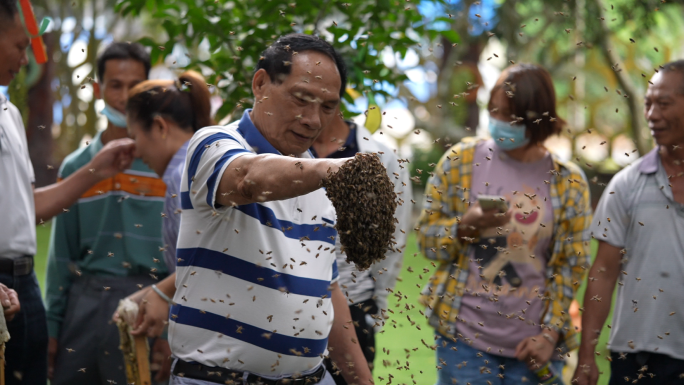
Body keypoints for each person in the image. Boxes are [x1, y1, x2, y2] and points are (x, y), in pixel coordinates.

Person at [167, 33, 373, 385]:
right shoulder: (214, 143)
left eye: (327, 107)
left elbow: (328, 291)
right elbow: (248, 178)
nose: (313, 119)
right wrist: (335, 171)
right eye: (301, 98)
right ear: (261, 84)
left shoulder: (320, 180)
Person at [416, 63, 593, 384]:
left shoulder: (568, 182)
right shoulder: (460, 163)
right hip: (463, 340)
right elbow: (426, 241)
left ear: (536, 118)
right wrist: (462, 227)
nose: (498, 123)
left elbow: (571, 266)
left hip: (532, 349)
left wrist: (550, 335)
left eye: (509, 116)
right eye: (493, 111)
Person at [0, 2, 140, 383]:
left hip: (22, 285)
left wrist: (98, 167)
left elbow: (29, 210)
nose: (26, 58)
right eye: (18, 45)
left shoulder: (9, 112)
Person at [46, 42, 172, 385]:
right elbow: (60, 258)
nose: (125, 96)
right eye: (115, 85)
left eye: (135, 86)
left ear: (150, 91)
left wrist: (171, 323)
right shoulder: (77, 167)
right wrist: (52, 329)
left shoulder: (168, 168)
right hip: (84, 304)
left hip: (150, 305)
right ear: (99, 89)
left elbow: (182, 258)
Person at [573, 61, 684, 385]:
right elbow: (603, 273)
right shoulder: (626, 185)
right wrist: (585, 357)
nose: (652, 115)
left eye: (663, 104)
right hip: (634, 360)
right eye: (648, 104)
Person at [111, 70, 215, 349]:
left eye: (135, 137)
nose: (136, 150)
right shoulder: (204, 161)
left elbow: (206, 258)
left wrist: (156, 293)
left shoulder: (180, 175)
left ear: (159, 127)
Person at [311, 110, 412, 382]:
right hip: (293, 305)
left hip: (356, 301)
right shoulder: (283, 151)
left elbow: (394, 239)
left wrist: (376, 304)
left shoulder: (380, 155)